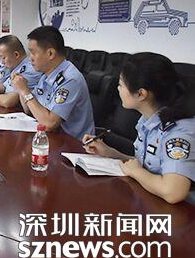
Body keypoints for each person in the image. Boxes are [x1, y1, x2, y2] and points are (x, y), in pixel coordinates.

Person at [83, 52, 195, 204]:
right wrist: (111, 153)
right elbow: (147, 166)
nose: (118, 88)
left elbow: (173, 192)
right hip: (150, 201)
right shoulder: (147, 119)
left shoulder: (179, 133)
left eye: (121, 84)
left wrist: (136, 172)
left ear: (141, 94)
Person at [12, 26, 94, 140]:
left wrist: (25, 91)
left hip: (73, 144)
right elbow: (29, 109)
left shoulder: (70, 79)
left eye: (33, 53)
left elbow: (49, 124)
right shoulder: (47, 74)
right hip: (52, 138)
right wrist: (22, 88)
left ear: (50, 53)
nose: (30, 58)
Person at [0, 35, 42, 108]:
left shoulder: (30, 69)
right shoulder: (17, 67)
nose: (2, 62)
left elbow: (9, 101)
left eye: (3, 58)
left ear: (16, 55)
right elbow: (4, 86)